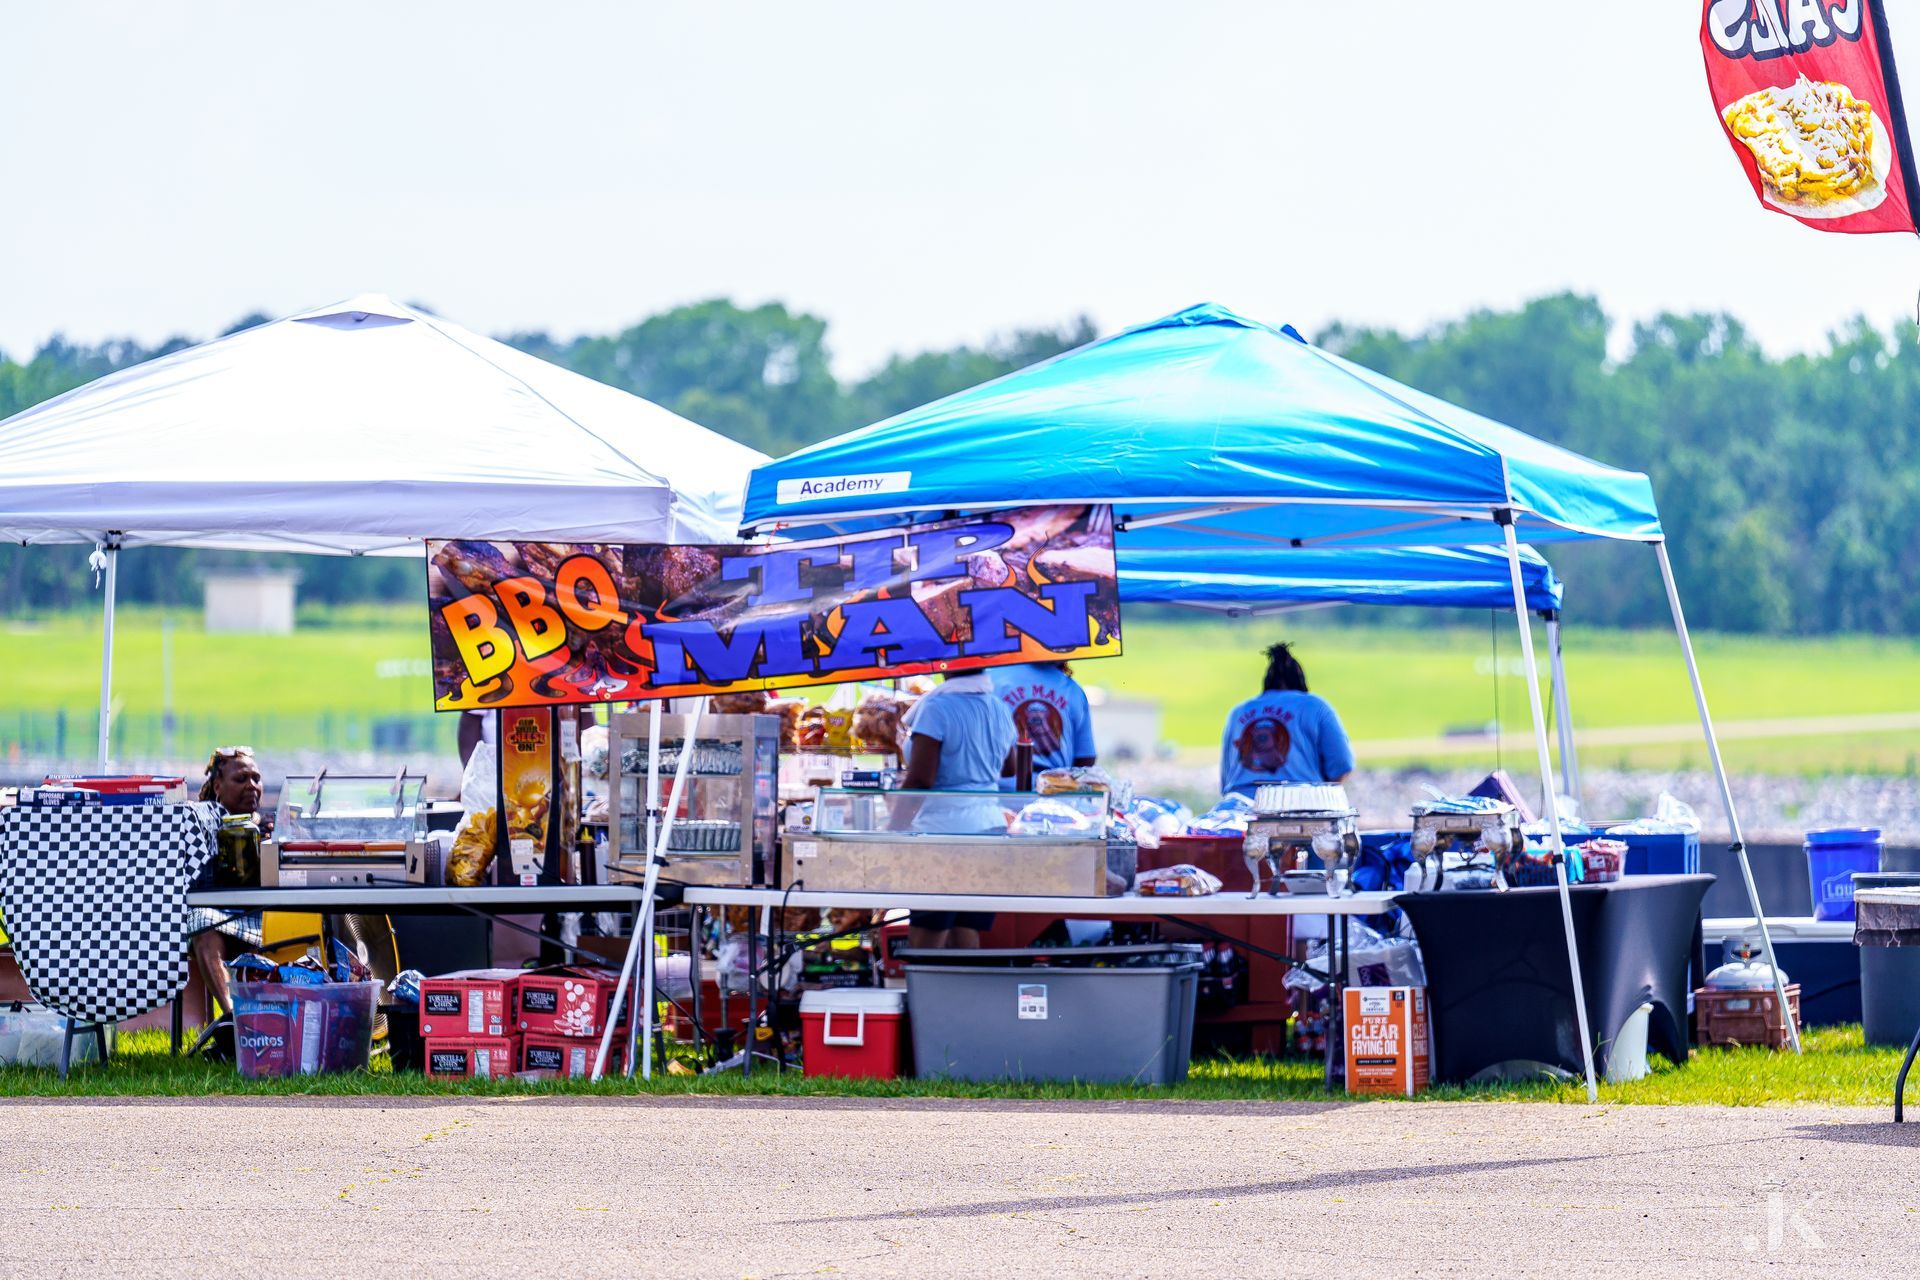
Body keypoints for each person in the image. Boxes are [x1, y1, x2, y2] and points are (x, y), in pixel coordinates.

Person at [897, 670, 1017, 950]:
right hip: (989, 830)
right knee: (966, 926)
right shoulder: (998, 707)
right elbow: (1009, 766)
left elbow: (920, 779)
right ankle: (964, 993)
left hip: (944, 835)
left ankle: (926, 993)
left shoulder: (936, 708)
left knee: (929, 932)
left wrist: (894, 829)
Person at [189, 746, 270, 1013]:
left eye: (256, 779)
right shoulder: (199, 822)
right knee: (204, 926)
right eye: (241, 779)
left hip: (259, 915)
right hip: (218, 915)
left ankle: (265, 1017)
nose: (252, 786)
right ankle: (234, 1020)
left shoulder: (270, 828)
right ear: (218, 786)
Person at [1219, 642, 1354, 800]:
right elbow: (1342, 764)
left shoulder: (1238, 712)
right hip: (1300, 802)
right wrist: (1320, 796)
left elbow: (1226, 780)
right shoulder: (1315, 706)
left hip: (1240, 804)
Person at [990, 661, 1096, 787]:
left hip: (1000, 792)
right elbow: (1085, 757)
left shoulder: (993, 678)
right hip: (1054, 794)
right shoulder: (1072, 689)